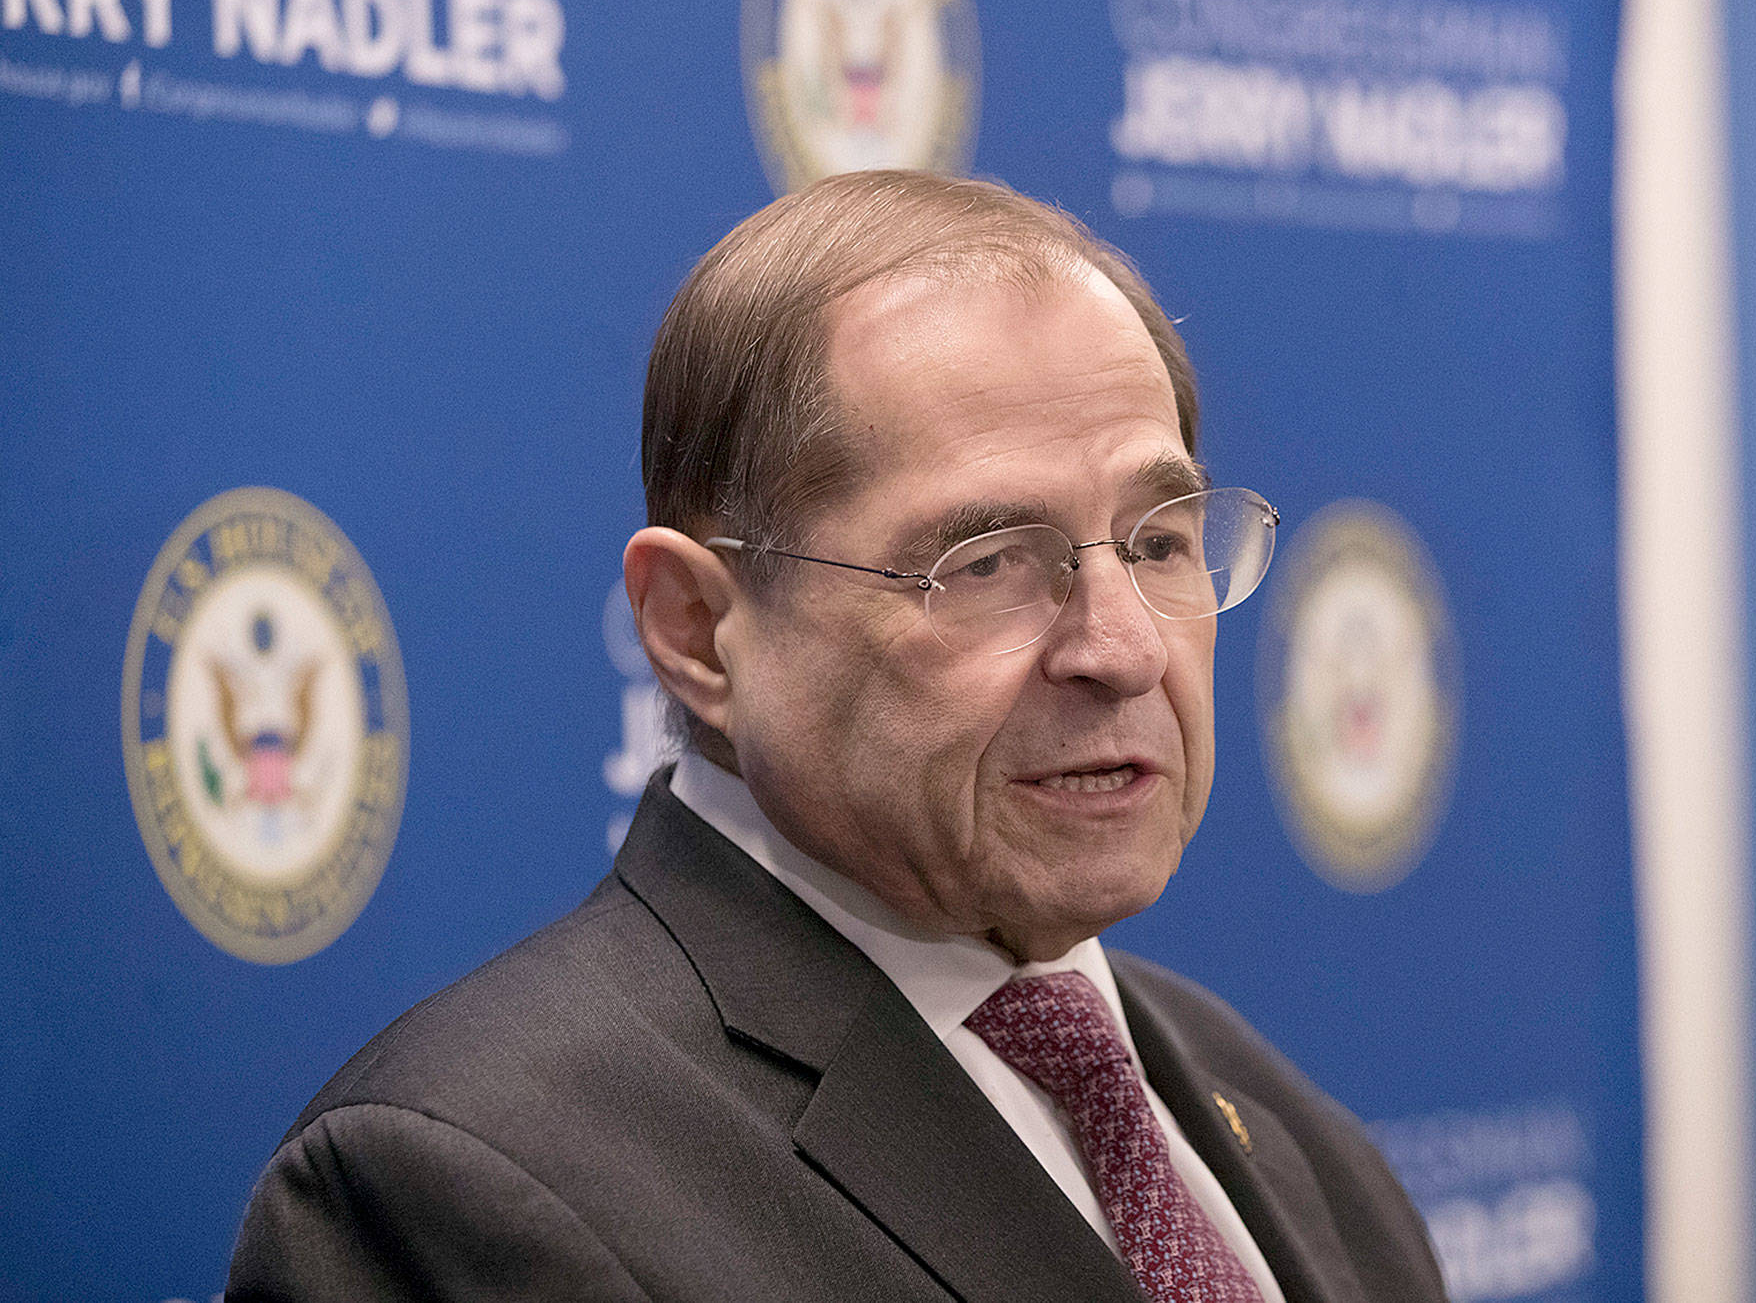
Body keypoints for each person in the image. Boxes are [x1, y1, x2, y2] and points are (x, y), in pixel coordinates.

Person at [226, 170, 1447, 1303]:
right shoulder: (457, 1184)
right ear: (700, 629)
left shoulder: (1288, 1130)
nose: (1122, 648)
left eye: (1161, 540)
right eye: (987, 562)